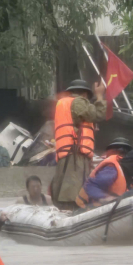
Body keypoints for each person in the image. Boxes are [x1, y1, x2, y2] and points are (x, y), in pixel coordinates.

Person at [49, 79, 107, 210]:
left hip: (68, 153)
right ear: (85, 94)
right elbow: (98, 114)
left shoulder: (63, 103)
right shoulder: (78, 102)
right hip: (75, 155)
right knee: (74, 192)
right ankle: (72, 212)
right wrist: (99, 95)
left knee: (65, 188)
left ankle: (66, 211)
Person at [75, 138, 133, 209]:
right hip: (87, 209)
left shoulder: (122, 168)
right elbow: (90, 186)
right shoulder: (112, 168)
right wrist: (106, 198)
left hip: (106, 209)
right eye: (124, 152)